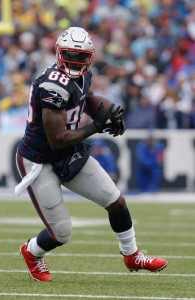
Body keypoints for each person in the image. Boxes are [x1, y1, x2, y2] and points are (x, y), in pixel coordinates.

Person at [15, 27, 168, 282]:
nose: (75, 62)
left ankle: (132, 255)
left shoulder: (84, 77)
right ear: (58, 53)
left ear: (90, 57)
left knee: (116, 200)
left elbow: (88, 99)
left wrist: (110, 113)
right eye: (70, 55)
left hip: (68, 153)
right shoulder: (51, 85)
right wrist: (97, 126)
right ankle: (31, 252)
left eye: (81, 56)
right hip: (39, 159)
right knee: (61, 233)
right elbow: (57, 139)